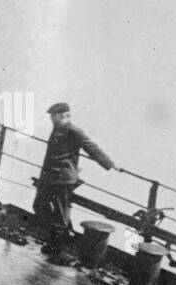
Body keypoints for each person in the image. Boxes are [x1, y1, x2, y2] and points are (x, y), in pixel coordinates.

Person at [32, 102, 118, 257]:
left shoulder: (74, 131)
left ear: (63, 115)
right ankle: (62, 235)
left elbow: (91, 147)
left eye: (53, 116)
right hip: (50, 177)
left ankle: (55, 247)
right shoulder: (58, 128)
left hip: (62, 179)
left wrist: (110, 164)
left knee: (58, 213)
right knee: (39, 205)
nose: (51, 119)